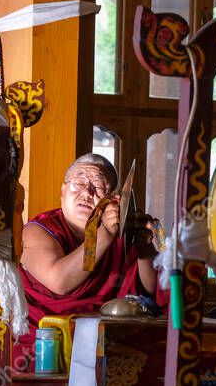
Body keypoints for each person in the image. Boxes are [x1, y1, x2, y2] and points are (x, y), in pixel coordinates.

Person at [17, 153, 160, 368]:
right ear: (63, 191)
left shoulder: (118, 237)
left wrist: (144, 247)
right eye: (79, 182)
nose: (87, 192)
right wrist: (104, 235)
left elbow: (150, 290)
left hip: (105, 347)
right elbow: (60, 282)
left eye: (98, 186)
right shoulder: (37, 231)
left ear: (112, 199)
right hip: (46, 350)